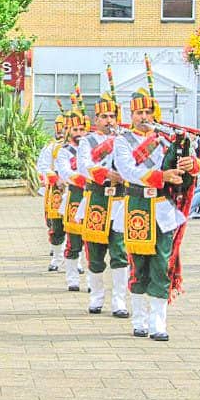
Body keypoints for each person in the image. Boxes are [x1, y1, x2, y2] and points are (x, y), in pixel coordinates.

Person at [114, 88, 200, 342]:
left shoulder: (167, 139)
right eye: (139, 112)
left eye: (148, 112)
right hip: (137, 206)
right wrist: (161, 176)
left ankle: (158, 322)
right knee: (138, 264)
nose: (144, 116)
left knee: (163, 263)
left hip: (162, 208)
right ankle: (139, 319)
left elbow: (193, 163)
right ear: (132, 114)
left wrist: (190, 165)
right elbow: (128, 170)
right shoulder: (123, 141)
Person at [77, 92, 129, 318]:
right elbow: (83, 165)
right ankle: (96, 296)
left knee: (120, 252)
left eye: (112, 116)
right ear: (95, 119)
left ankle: (119, 300)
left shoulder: (124, 139)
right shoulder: (87, 141)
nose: (109, 121)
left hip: (119, 201)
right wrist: (106, 173)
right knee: (95, 254)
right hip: (96, 199)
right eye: (104, 116)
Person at [54, 109, 88, 291]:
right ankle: (72, 278)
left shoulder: (93, 148)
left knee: (93, 244)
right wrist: (87, 177)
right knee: (73, 242)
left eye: (82, 129)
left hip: (93, 197)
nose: (79, 133)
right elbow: (65, 172)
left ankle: (92, 281)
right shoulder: (64, 151)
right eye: (75, 130)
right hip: (75, 196)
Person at [36, 115, 66, 272]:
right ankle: (57, 257)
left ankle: (76, 261)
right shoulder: (52, 147)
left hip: (76, 190)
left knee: (77, 227)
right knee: (56, 226)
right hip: (56, 191)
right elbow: (43, 166)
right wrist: (56, 179)